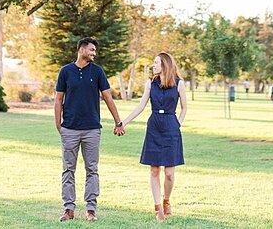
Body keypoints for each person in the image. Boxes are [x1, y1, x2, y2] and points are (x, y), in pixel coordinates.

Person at [54, 36, 126, 222]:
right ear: (81, 50)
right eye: (91, 50)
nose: (94, 53)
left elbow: (108, 98)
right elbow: (58, 99)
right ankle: (68, 208)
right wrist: (58, 124)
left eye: (95, 50)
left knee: (92, 169)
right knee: (68, 169)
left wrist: (118, 122)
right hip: (69, 128)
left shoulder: (98, 72)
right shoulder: (65, 71)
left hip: (92, 129)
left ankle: (91, 208)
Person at [119, 52, 187, 222]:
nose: (153, 65)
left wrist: (177, 124)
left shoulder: (179, 84)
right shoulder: (151, 83)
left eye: (156, 63)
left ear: (165, 65)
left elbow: (185, 108)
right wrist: (123, 122)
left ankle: (166, 200)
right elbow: (141, 106)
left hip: (171, 127)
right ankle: (158, 208)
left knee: (170, 173)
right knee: (154, 170)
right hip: (154, 127)